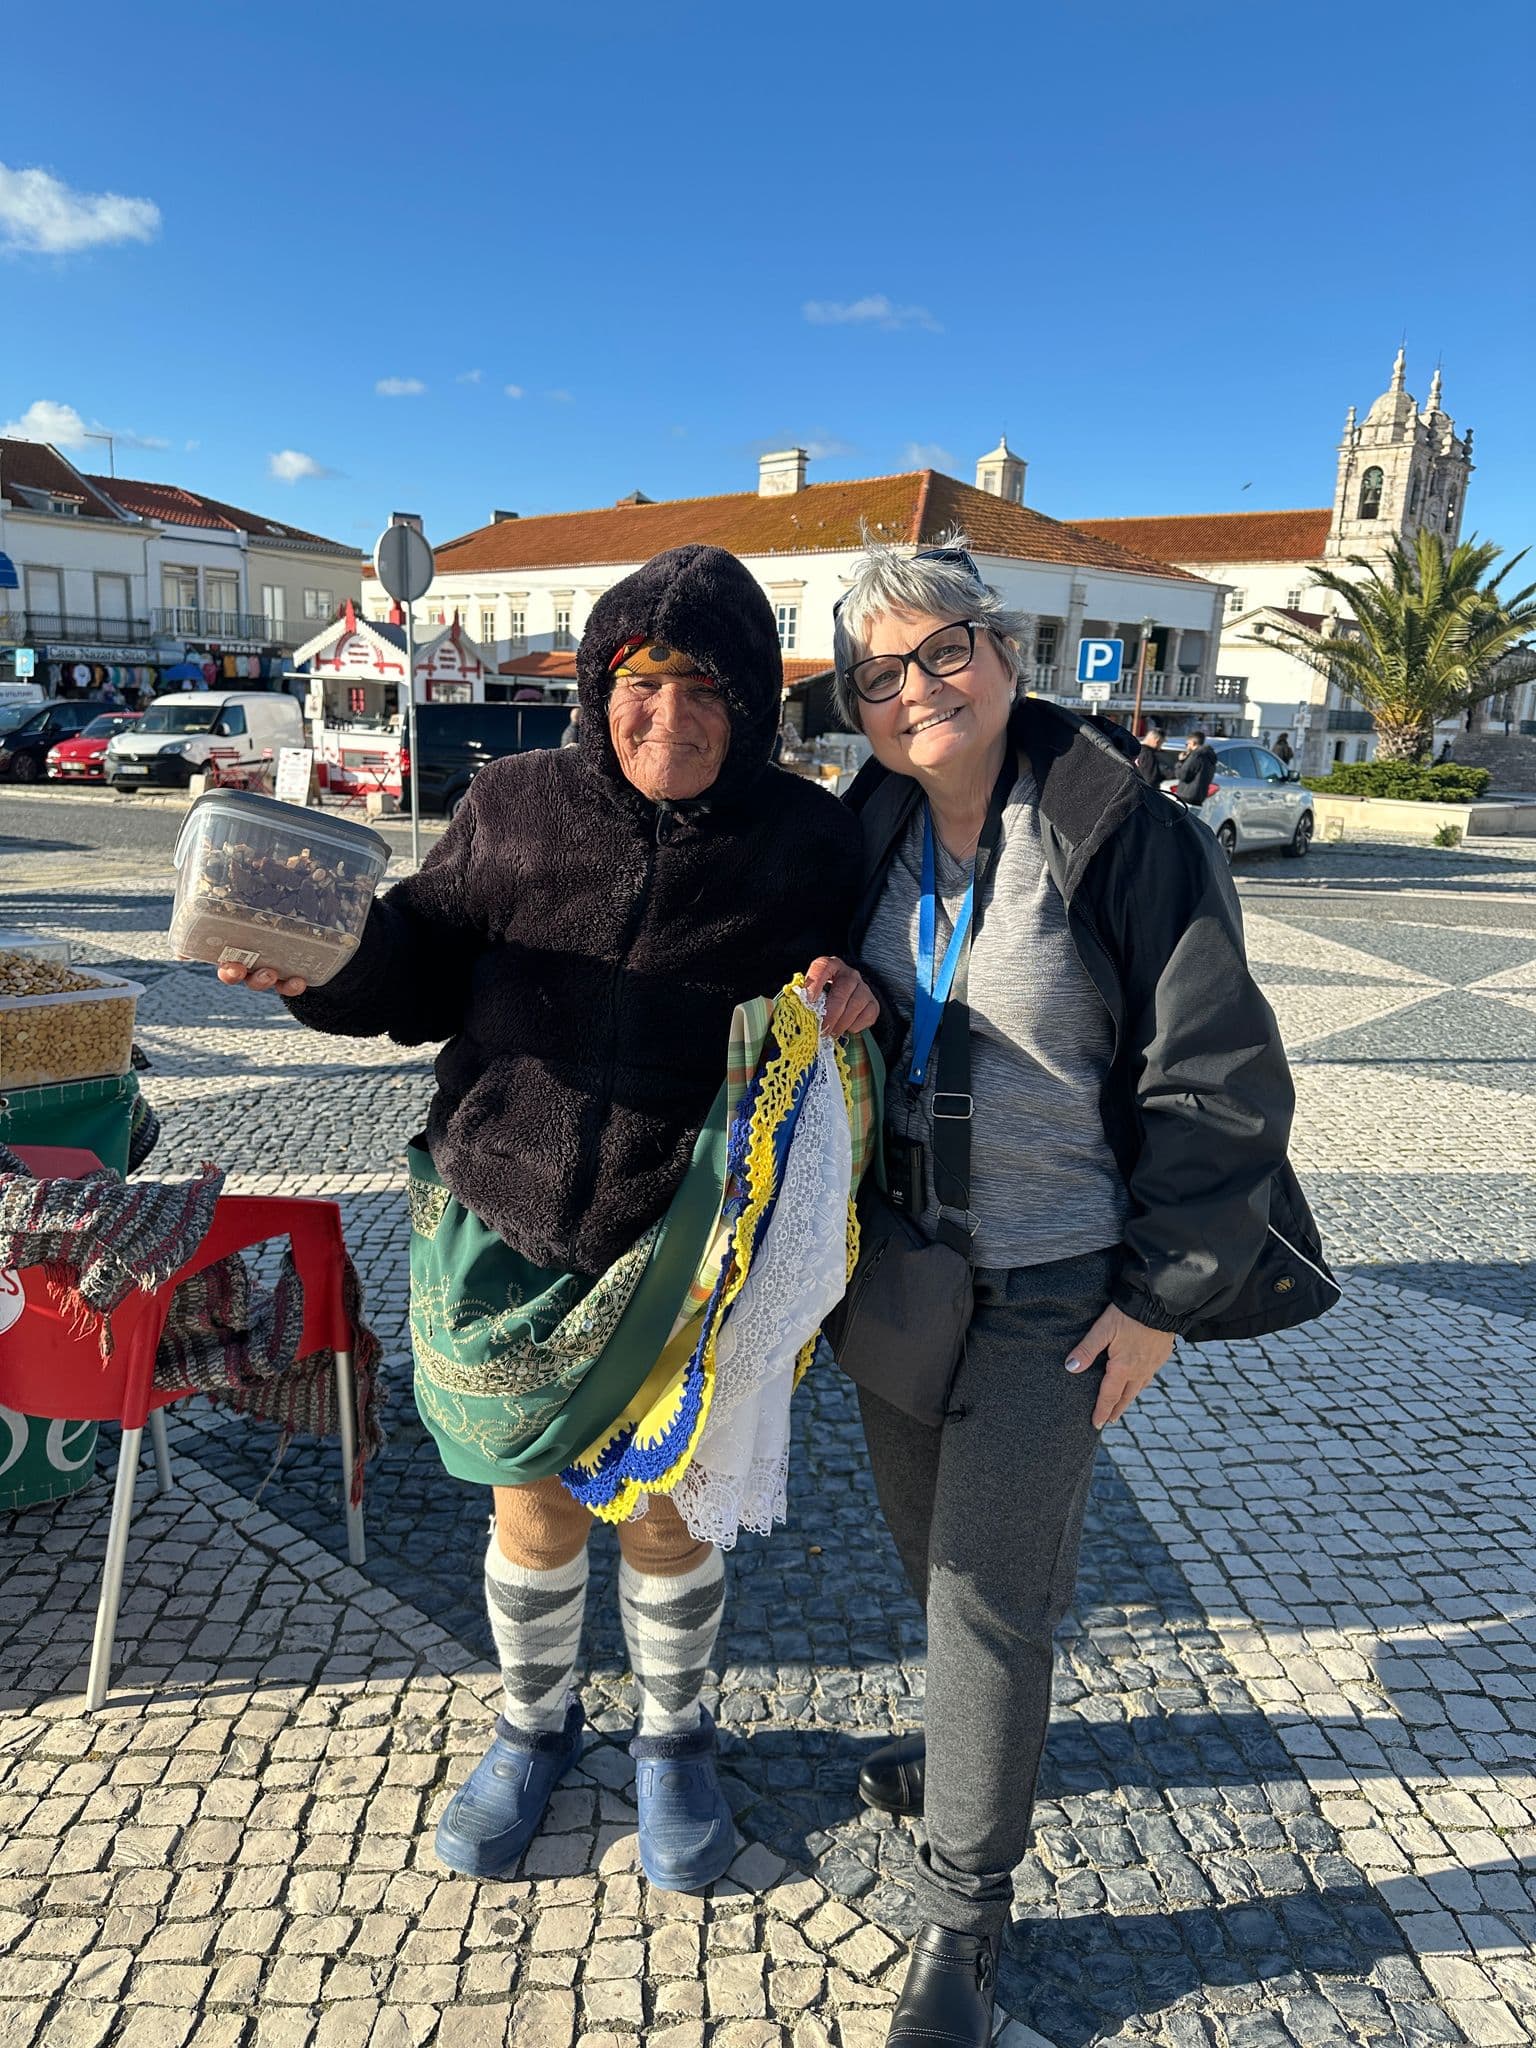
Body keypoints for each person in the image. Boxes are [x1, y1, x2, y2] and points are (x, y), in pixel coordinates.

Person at [222, 545, 878, 1891]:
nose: (672, 716)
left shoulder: (811, 840)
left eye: (708, 687)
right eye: (642, 681)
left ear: (754, 700)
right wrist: (312, 963)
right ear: (597, 683)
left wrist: (861, 1002)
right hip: (503, 1212)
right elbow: (412, 964)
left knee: (662, 1514)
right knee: (531, 1509)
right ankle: (534, 1723)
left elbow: (884, 993)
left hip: (686, 1243)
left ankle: (674, 1738)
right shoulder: (515, 803)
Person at [830, 539, 1336, 2046]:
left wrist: (1165, 1297)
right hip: (903, 1272)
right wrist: (852, 1009)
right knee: (938, 1563)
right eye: (882, 673)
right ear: (856, 708)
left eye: (944, 651)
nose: (919, 688)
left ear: (1003, 651)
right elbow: (849, 1024)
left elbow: (1220, 1077)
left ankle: (964, 1915)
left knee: (991, 1593)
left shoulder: (1123, 830)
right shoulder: (865, 832)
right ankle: (970, 1749)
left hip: (1059, 1288)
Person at [1173, 726, 1217, 806]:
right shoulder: (1209, 755)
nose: (1186, 747)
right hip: (1198, 797)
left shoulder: (1196, 755)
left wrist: (1180, 762)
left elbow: (1183, 775)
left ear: (1192, 743)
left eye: (1187, 744)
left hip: (1186, 797)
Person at [1134, 719, 1165, 788]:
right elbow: (1151, 779)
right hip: (1145, 792)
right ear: (1157, 741)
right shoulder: (1148, 754)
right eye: (1161, 743)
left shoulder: (1136, 750)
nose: (1160, 747)